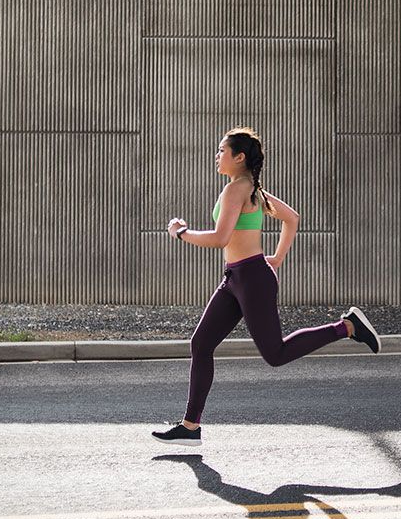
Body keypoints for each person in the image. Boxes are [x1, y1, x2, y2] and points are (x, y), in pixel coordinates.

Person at [153, 127, 380, 446]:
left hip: (251, 279)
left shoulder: (237, 190)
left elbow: (220, 238)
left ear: (239, 157)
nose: (217, 156)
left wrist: (182, 233)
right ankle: (191, 427)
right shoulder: (252, 190)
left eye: (222, 151)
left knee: (275, 353)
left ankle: (347, 327)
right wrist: (276, 258)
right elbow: (293, 218)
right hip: (237, 278)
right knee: (201, 344)